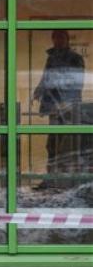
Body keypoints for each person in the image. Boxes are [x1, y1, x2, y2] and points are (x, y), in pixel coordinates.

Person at [32, 30, 85, 189]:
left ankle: (65, 181)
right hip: (54, 108)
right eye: (55, 38)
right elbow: (46, 77)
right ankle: (51, 180)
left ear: (67, 40)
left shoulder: (75, 58)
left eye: (61, 38)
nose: (58, 41)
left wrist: (64, 101)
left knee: (67, 146)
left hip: (68, 109)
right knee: (52, 145)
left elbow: (76, 83)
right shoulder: (52, 58)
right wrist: (39, 90)